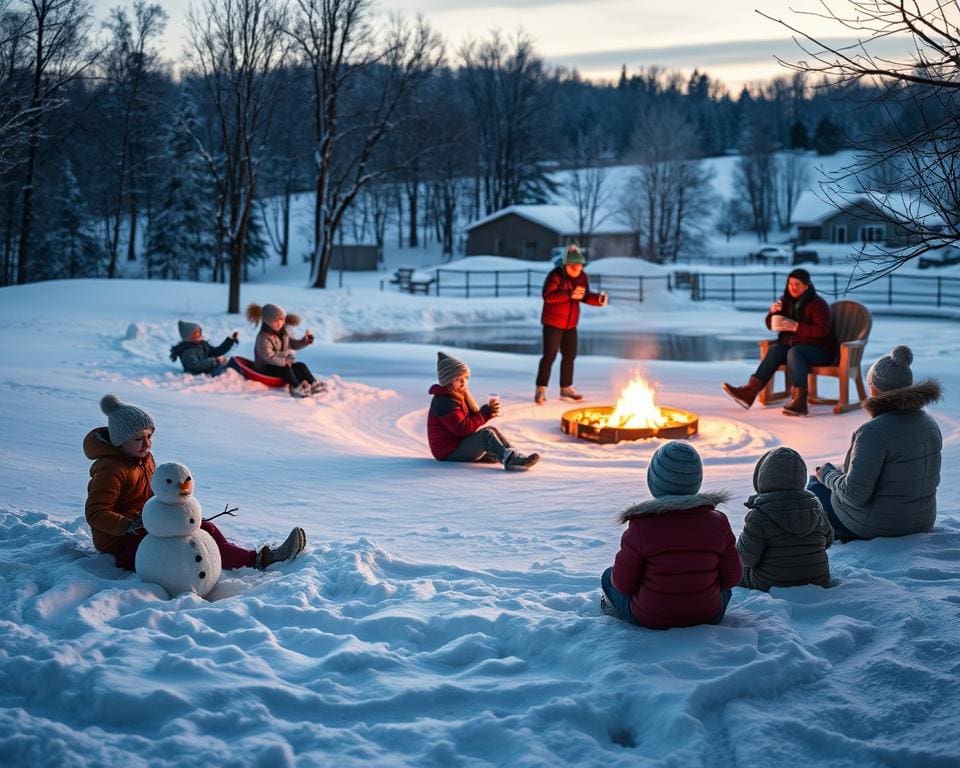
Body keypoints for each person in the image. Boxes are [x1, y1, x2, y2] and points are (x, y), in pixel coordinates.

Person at [83, 394, 307, 572]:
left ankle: (256, 558)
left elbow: (155, 494)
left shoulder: (144, 460)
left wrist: (174, 509)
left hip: (148, 526)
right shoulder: (110, 469)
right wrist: (130, 525)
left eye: (150, 436)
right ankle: (258, 561)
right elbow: (96, 512)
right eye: (138, 439)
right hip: (121, 545)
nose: (147, 444)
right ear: (120, 442)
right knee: (190, 545)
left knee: (203, 527)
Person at [600, 441, 742, 628]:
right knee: (724, 590)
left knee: (607, 576)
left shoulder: (641, 526)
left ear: (653, 482)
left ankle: (612, 610)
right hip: (709, 614)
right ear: (697, 481)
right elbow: (732, 577)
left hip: (651, 617)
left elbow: (623, 584)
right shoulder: (718, 522)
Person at [807, 345, 942, 541]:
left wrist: (826, 474)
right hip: (923, 519)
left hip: (882, 526)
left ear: (875, 388)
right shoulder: (929, 424)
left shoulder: (873, 432)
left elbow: (854, 494)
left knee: (814, 488)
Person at [722, 268, 837, 417]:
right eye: (790, 284)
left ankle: (799, 402)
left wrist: (796, 326)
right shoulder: (786, 302)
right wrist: (772, 313)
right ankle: (749, 393)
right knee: (776, 350)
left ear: (806, 286)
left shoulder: (817, 304)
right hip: (794, 348)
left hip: (821, 351)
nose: (793, 287)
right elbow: (772, 325)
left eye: (797, 284)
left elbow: (822, 330)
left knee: (794, 352)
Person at [737, 447, 833, 591]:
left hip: (769, 583)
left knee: (735, 573)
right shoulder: (816, 509)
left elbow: (745, 558)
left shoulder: (758, 516)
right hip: (818, 580)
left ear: (763, 479)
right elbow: (828, 540)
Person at [428, 351, 540, 471]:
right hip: (448, 452)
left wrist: (487, 412)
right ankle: (511, 461)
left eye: (465, 378)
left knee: (492, 433)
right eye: (458, 378)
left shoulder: (457, 396)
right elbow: (462, 429)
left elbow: (468, 421)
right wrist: (484, 414)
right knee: (486, 435)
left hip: (457, 444)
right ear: (448, 381)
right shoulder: (445, 401)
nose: (463, 382)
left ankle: (514, 456)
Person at [535, 243, 608, 405]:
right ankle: (541, 389)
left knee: (569, 356)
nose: (577, 269)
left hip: (570, 324)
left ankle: (566, 389)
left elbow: (584, 295)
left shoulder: (582, 277)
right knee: (549, 356)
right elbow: (548, 296)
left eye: (580, 265)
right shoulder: (555, 275)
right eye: (574, 266)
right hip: (553, 322)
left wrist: (598, 300)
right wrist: (569, 293)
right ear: (565, 265)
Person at [246, 303, 325, 398]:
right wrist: (284, 362)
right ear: (268, 322)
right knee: (285, 369)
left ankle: (313, 384)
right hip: (265, 368)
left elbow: (293, 344)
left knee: (300, 366)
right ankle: (296, 388)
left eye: (281, 320)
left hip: (281, 364)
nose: (279, 323)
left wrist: (305, 341)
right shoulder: (263, 337)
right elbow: (268, 357)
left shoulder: (283, 333)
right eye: (275, 321)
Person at [169, 320, 241, 376]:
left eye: (199, 331)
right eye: (196, 333)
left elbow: (216, 352)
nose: (200, 334)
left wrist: (230, 340)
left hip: (210, 368)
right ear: (189, 336)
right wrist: (215, 361)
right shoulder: (187, 351)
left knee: (234, 362)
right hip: (203, 373)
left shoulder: (202, 344)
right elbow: (195, 366)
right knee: (231, 367)